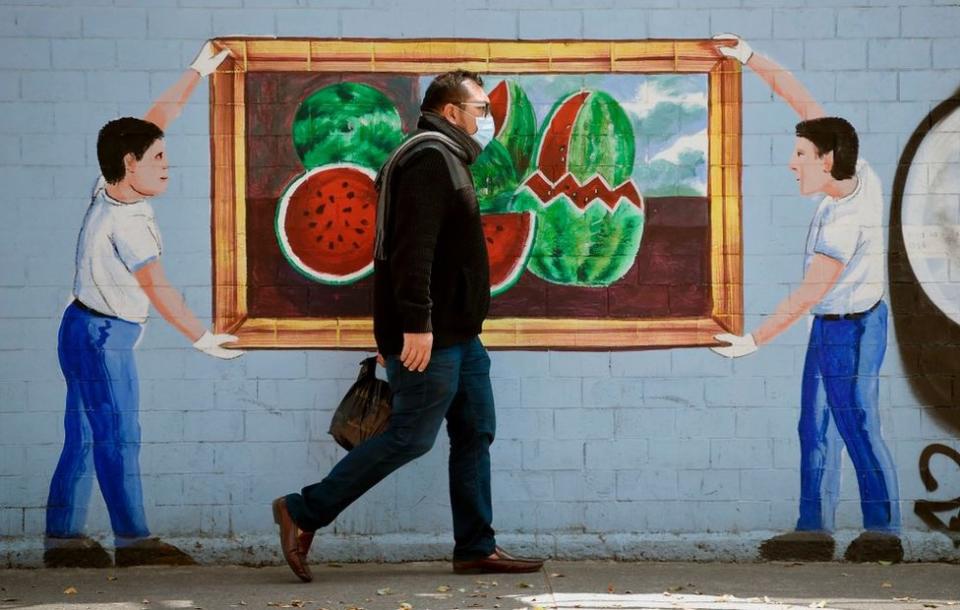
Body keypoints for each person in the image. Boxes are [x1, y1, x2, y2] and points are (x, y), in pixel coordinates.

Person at [272, 70, 544, 582]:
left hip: (462, 337)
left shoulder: (446, 157)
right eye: (480, 109)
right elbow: (410, 251)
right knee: (410, 437)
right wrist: (414, 327)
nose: (487, 119)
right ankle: (302, 510)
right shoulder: (428, 160)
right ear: (451, 112)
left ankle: (475, 547)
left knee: (474, 432)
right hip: (432, 336)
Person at [44, 42, 242, 568]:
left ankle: (62, 539)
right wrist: (203, 339)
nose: (167, 167)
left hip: (78, 327)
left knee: (84, 435)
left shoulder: (108, 185)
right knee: (120, 436)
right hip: (104, 338)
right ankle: (133, 541)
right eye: (158, 160)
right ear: (130, 164)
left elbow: (155, 119)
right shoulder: (129, 225)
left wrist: (195, 73)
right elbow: (160, 290)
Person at [711, 35, 902, 562]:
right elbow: (802, 100)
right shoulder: (856, 170)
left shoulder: (843, 222)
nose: (792, 164)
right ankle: (812, 529)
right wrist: (750, 57)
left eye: (800, 155)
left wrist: (751, 341)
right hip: (831, 323)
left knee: (856, 419)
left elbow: (807, 293)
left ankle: (884, 532)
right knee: (813, 422)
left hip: (854, 326)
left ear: (827, 159)